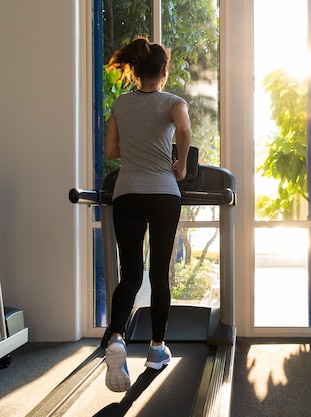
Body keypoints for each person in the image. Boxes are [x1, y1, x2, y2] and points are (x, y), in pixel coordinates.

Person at [102, 36, 191, 392]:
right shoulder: (173, 101)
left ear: (136, 70)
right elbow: (183, 130)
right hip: (164, 194)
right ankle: (157, 349)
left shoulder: (122, 104)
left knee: (131, 276)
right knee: (159, 274)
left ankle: (117, 339)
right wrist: (180, 165)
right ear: (164, 71)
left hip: (127, 194)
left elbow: (111, 150)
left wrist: (134, 147)